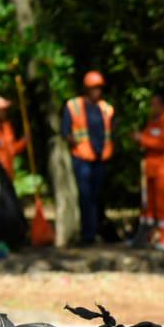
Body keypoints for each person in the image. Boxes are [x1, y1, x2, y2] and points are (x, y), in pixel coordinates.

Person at [62, 71, 114, 244]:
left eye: (99, 88)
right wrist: (73, 142)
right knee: (85, 195)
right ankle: (88, 235)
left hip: (101, 158)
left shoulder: (107, 108)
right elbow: (66, 131)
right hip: (82, 157)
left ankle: (98, 230)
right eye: (93, 88)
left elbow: (110, 131)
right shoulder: (73, 105)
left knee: (96, 196)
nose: (96, 92)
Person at [134, 90, 164, 252]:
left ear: (163, 105)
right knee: (149, 207)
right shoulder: (153, 121)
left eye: (155, 104)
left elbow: (163, 143)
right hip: (152, 170)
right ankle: (147, 237)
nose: (152, 107)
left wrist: (142, 139)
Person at [0, 97, 27, 182]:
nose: (5, 112)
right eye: (2, 109)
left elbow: (12, 150)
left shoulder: (7, 126)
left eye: (6, 109)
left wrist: (24, 142)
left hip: (8, 173)